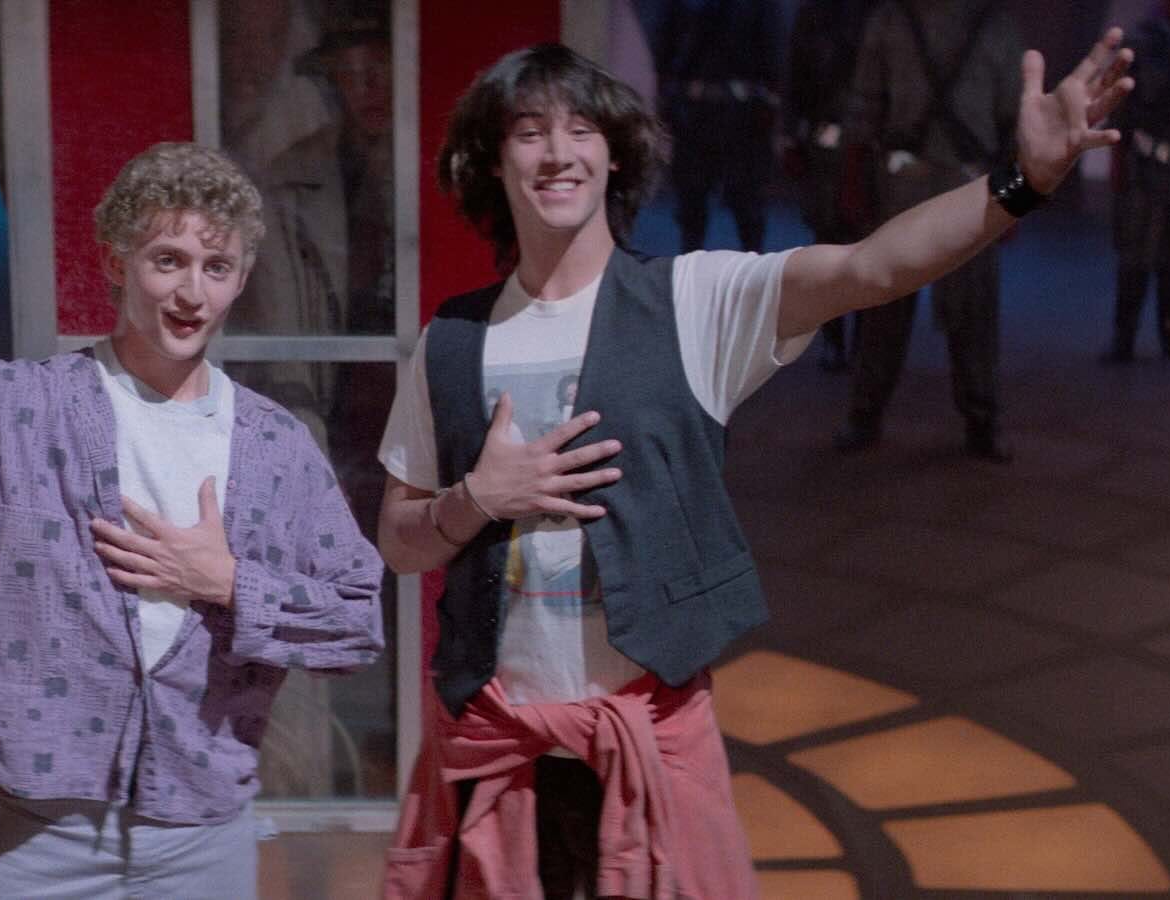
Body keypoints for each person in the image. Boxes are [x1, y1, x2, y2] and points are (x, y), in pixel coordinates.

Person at [379, 33, 1130, 899]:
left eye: (581, 129)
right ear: (492, 159)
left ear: (615, 155)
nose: (558, 152)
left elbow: (874, 267)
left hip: (650, 748)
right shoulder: (452, 341)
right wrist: (476, 499)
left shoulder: (695, 301)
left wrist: (1021, 181)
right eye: (528, 131)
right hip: (494, 756)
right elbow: (400, 540)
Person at [0, 108, 385, 896]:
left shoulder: (276, 448)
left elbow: (356, 619)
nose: (192, 292)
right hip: (40, 834)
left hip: (202, 834)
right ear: (116, 260)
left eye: (216, 267)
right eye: (168, 260)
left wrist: (225, 583)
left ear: (241, 280)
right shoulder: (10, 411)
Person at [832, 0, 1026, 462]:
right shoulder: (890, 18)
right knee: (883, 301)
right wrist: (852, 182)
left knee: (974, 309)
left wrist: (1014, 203)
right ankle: (865, 413)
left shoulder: (994, 24)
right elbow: (864, 106)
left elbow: (1014, 123)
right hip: (904, 182)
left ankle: (981, 420)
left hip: (972, 187)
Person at [642, 0, 784, 253]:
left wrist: (770, 104)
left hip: (742, 115)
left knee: (747, 202)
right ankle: (692, 259)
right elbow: (665, 49)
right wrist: (667, 101)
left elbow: (773, 51)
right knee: (692, 201)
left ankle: (753, 258)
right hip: (695, 113)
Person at [784, 0, 877, 371]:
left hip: (870, 144)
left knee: (869, 243)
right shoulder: (817, 12)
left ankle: (861, 343)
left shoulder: (881, 12)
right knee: (829, 242)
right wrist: (791, 136)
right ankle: (836, 341)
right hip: (827, 139)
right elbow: (797, 74)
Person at [1102, 0, 1170, 363]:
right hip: (1145, 168)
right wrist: (1116, 162)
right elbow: (1121, 105)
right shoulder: (1142, 41)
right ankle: (1124, 338)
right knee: (1136, 256)